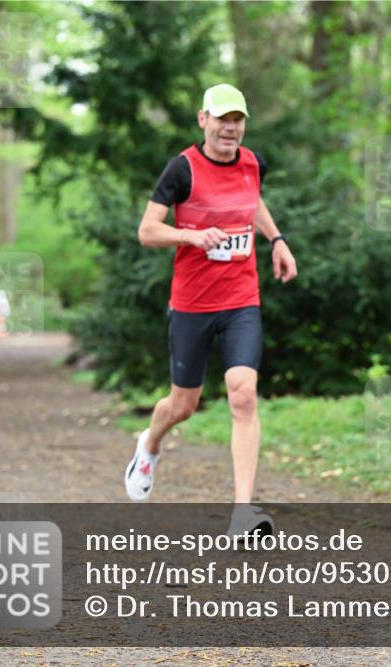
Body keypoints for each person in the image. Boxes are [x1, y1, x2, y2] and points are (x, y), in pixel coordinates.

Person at [124, 84, 297, 533]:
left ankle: (242, 512)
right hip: (193, 304)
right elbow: (147, 230)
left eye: (237, 120)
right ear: (203, 120)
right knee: (183, 405)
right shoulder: (182, 169)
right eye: (222, 119)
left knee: (243, 392)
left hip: (241, 299)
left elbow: (252, 201)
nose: (230, 128)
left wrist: (276, 240)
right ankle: (150, 444)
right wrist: (190, 236)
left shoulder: (251, 163)